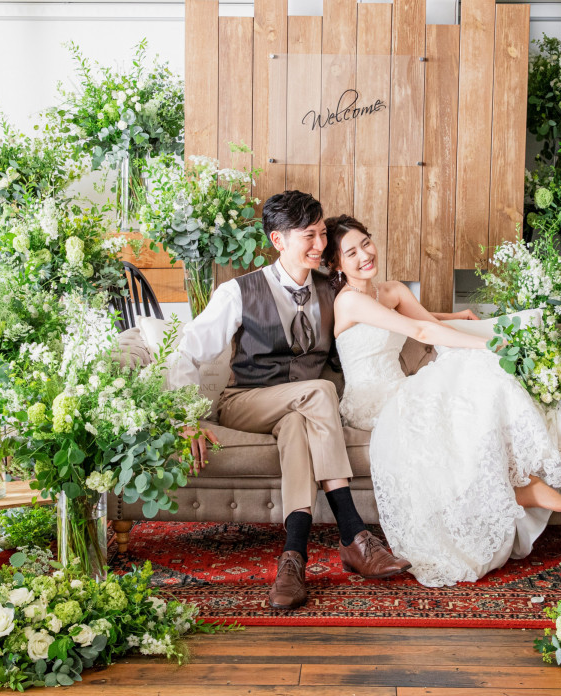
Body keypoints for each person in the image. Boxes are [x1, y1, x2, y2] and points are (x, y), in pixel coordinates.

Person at [323, 214, 561, 587]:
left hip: (400, 387)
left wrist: (457, 316)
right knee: (472, 366)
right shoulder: (348, 301)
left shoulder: (392, 291)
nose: (365, 254)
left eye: (366, 243)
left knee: (473, 385)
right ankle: (523, 489)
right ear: (336, 264)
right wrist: (489, 345)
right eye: (351, 253)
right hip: (372, 399)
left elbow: (429, 321)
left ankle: (528, 478)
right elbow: (417, 330)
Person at [166, 191, 412, 610]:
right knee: (320, 391)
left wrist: (449, 320)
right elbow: (184, 350)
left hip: (300, 412)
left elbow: (387, 314)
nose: (320, 245)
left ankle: (293, 557)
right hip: (247, 401)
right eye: (309, 237)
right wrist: (185, 418)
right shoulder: (238, 292)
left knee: (301, 422)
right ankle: (353, 533)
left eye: (321, 234)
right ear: (278, 241)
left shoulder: (331, 289)